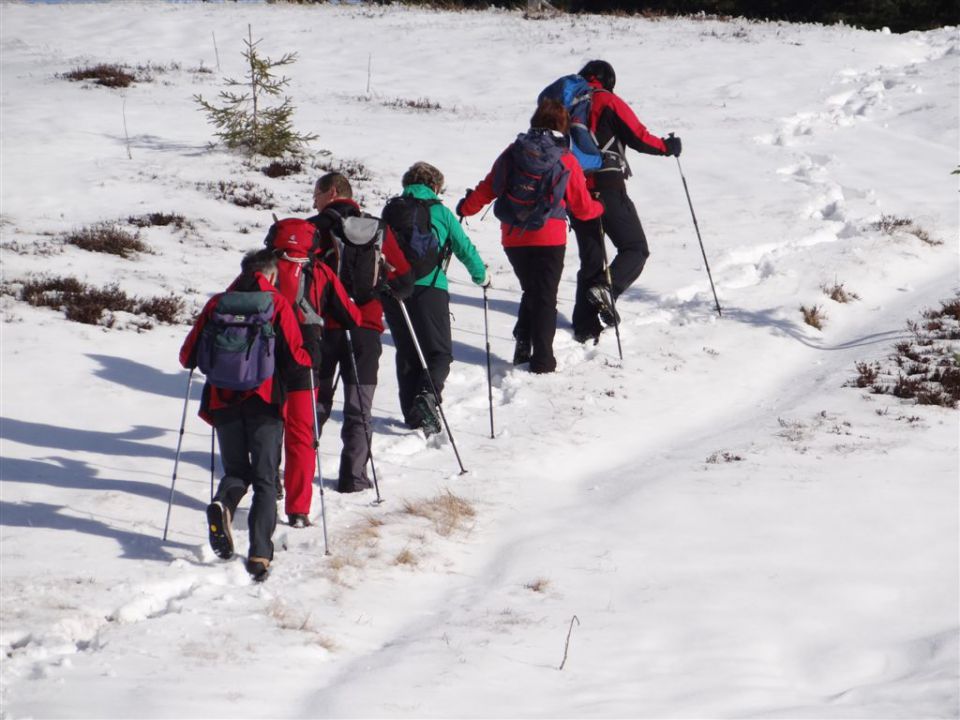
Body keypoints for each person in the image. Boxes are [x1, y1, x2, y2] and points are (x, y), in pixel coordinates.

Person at [179, 248, 312, 582]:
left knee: (237, 470)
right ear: (269, 275)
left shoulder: (217, 304)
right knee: (266, 478)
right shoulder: (277, 304)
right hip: (265, 402)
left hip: (223, 401)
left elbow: (187, 356)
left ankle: (223, 505)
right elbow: (296, 359)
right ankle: (259, 554)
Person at [458, 99, 603, 374]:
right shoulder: (565, 159)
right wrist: (600, 206)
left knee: (533, 291)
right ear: (563, 126)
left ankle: (523, 343)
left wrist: (466, 207)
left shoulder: (514, 152)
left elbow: (490, 186)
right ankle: (543, 361)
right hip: (549, 238)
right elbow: (583, 210)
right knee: (545, 296)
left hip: (513, 238)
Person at [307, 172, 414, 493]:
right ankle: (353, 478)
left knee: (315, 404)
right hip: (365, 329)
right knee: (359, 407)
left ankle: (294, 470)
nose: (314, 200)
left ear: (332, 192)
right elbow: (406, 281)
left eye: (317, 193)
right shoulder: (377, 229)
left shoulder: (314, 228)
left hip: (324, 329)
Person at [568, 59, 682, 344]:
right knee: (635, 248)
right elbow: (638, 136)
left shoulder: (566, 104)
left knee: (592, 258)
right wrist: (668, 147)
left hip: (574, 189)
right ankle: (609, 289)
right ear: (609, 80)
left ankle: (583, 326)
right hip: (607, 187)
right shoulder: (608, 101)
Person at [267, 218, 363, 527]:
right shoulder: (319, 270)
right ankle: (298, 510)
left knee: (266, 432)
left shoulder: (260, 270)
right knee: (301, 436)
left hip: (262, 362)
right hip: (304, 362)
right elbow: (352, 316)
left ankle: (266, 495)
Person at [381, 162, 490, 434]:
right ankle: (428, 396)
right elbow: (463, 247)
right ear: (435, 186)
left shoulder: (392, 210)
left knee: (407, 352)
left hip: (394, 289)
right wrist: (482, 277)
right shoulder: (440, 211)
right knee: (439, 353)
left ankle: (412, 416)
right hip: (430, 288)